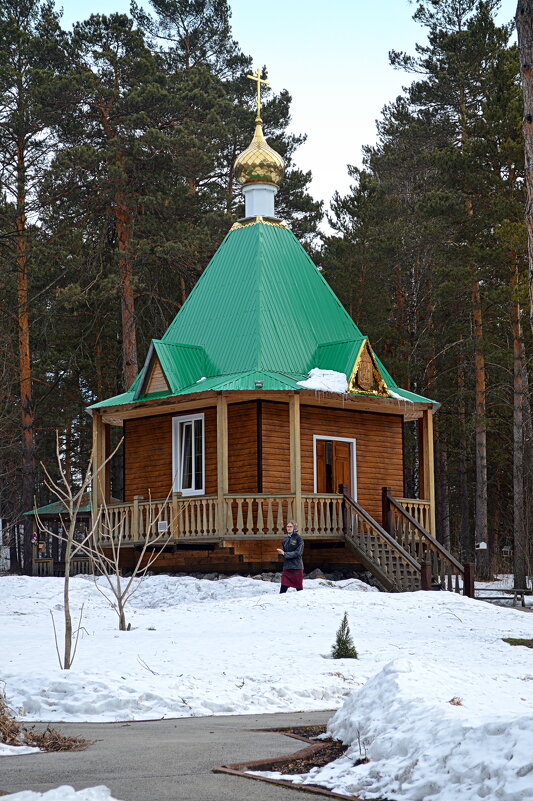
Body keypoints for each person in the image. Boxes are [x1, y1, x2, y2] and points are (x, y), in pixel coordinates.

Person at [277, 520, 304, 593]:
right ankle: (280, 602)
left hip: (297, 567)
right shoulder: (285, 539)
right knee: (283, 588)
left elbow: (298, 552)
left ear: (294, 527)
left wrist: (285, 554)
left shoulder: (299, 538)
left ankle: (303, 603)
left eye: (290, 527)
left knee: (299, 589)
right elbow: (283, 552)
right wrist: (282, 553)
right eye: (287, 526)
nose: (288, 528)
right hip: (287, 567)